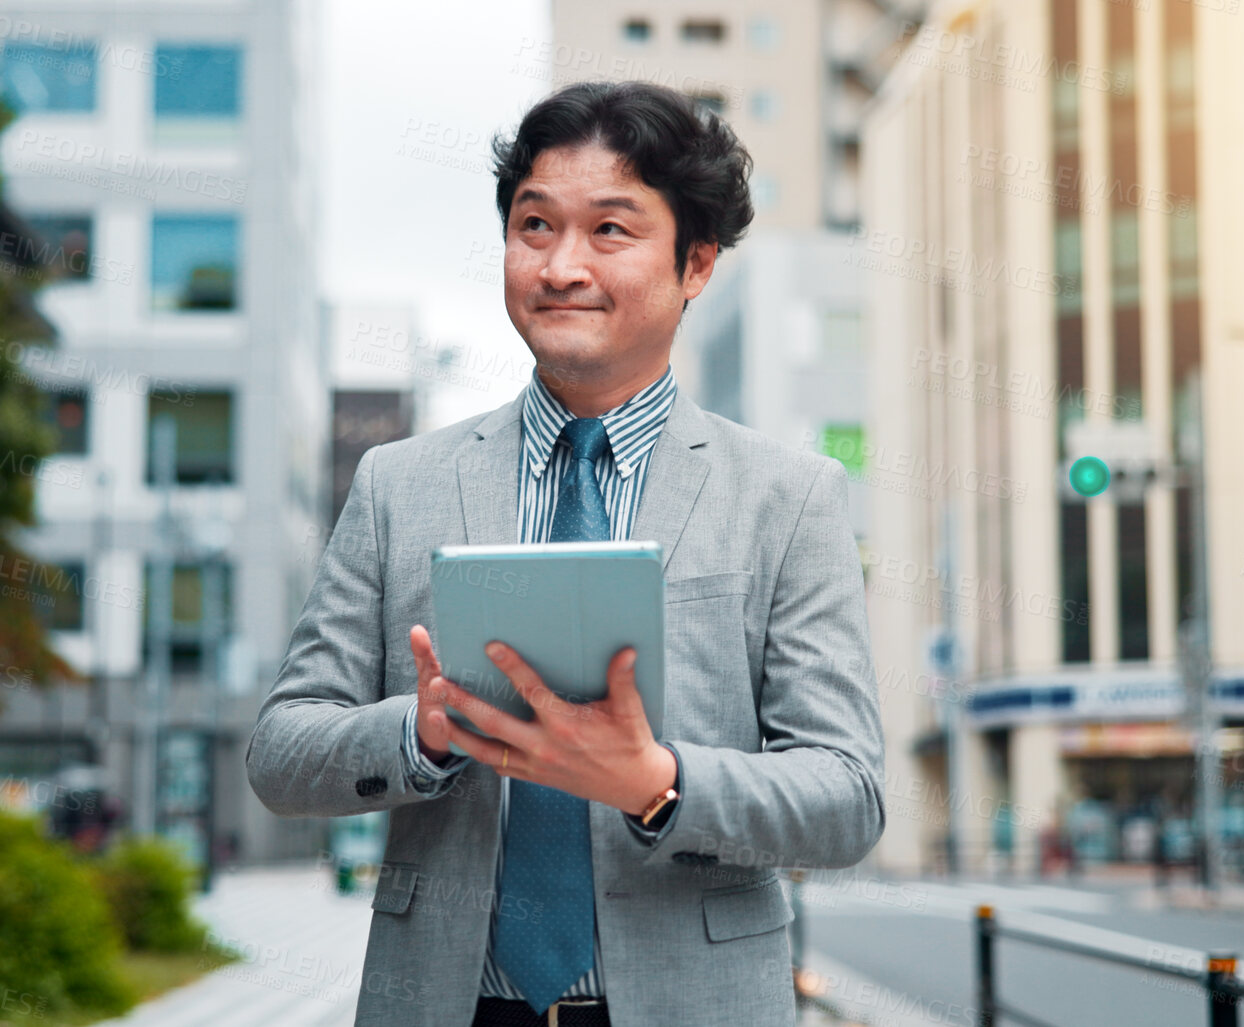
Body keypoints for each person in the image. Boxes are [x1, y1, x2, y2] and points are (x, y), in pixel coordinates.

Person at [245, 80, 886, 1027]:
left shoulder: (787, 498)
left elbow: (846, 796)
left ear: (696, 262)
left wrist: (657, 783)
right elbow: (280, 752)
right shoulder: (397, 483)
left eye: (610, 231)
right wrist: (419, 735)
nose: (559, 265)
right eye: (534, 225)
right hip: (447, 1005)